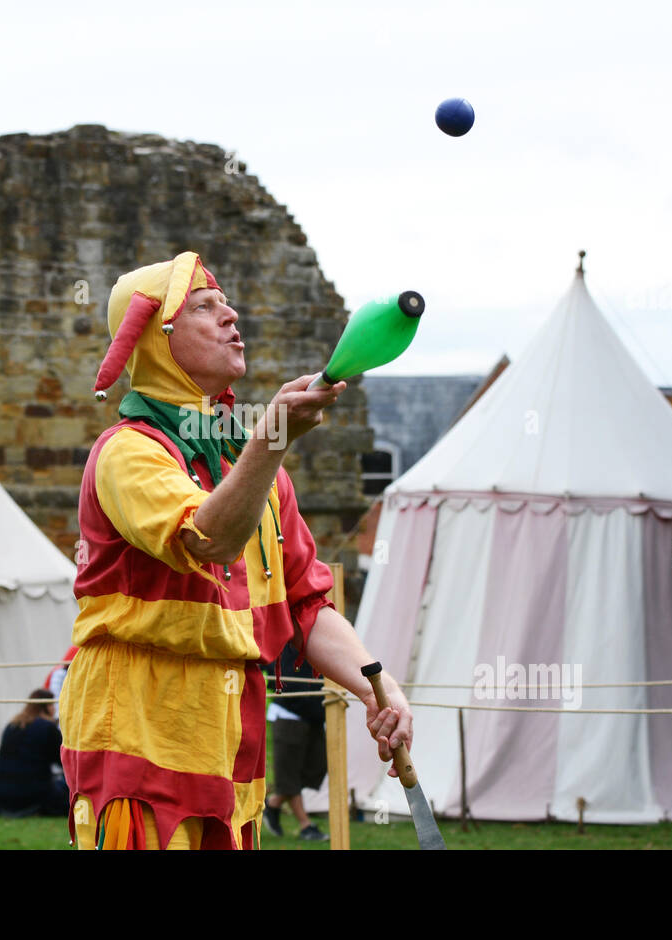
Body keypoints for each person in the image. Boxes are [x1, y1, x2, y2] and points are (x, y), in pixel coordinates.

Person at [59, 251, 413, 850]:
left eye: (225, 302)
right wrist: (271, 438)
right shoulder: (127, 452)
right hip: (140, 733)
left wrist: (380, 688)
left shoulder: (254, 472)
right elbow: (209, 538)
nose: (230, 315)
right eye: (204, 306)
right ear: (155, 339)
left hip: (231, 737)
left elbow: (306, 604)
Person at [262, 643, 329, 841]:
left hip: (315, 715)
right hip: (288, 714)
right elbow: (267, 662)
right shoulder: (284, 638)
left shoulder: (317, 638)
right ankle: (305, 825)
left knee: (317, 767)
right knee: (288, 774)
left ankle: (273, 804)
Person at [0, 689, 69, 817]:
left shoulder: (12, 725)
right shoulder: (47, 727)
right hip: (31, 794)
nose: (54, 709)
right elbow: (64, 761)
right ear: (45, 707)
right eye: (52, 705)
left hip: (0, 795)